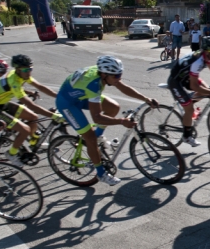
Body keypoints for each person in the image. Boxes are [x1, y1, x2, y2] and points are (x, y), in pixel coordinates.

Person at [55, 56, 159, 186]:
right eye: (116, 76)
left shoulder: (103, 75)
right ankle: (101, 173)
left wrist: (146, 99)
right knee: (90, 137)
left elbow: (123, 87)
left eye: (120, 74)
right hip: (67, 103)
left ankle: (98, 136)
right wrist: (122, 121)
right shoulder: (94, 85)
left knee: (113, 107)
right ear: (104, 74)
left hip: (81, 95)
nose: (119, 78)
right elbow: (97, 117)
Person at [0, 54, 63, 168]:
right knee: (25, 129)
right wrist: (53, 115)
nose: (28, 72)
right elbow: (30, 104)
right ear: (17, 69)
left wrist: (59, 96)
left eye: (30, 68)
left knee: (33, 117)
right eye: (25, 69)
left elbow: (40, 87)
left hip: (2, 102)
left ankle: (33, 141)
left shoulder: (22, 75)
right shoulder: (13, 81)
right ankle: (11, 154)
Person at [167, 37, 210, 147]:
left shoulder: (205, 55)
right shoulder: (197, 61)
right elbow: (194, 86)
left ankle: (187, 103)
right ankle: (186, 136)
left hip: (186, 76)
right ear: (207, 51)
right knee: (190, 108)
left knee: (205, 89)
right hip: (176, 81)